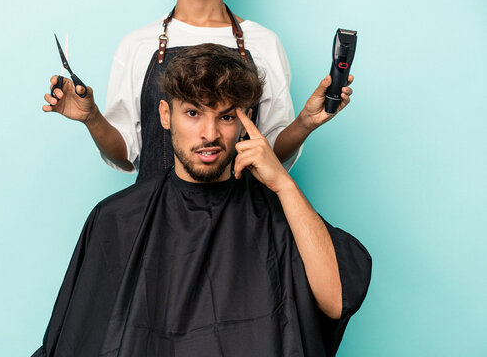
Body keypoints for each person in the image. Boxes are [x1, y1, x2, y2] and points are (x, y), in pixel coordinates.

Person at [33, 44, 370, 357]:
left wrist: (283, 184)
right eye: (193, 113)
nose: (209, 134)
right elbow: (76, 338)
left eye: (225, 117)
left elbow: (336, 300)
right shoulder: (117, 219)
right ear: (165, 115)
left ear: (246, 121)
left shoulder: (277, 214)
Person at [42, 0, 353, 181]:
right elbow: (126, 155)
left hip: (241, 230)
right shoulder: (137, 44)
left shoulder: (264, 43)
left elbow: (268, 153)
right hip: (155, 225)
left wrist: (305, 123)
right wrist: (92, 117)